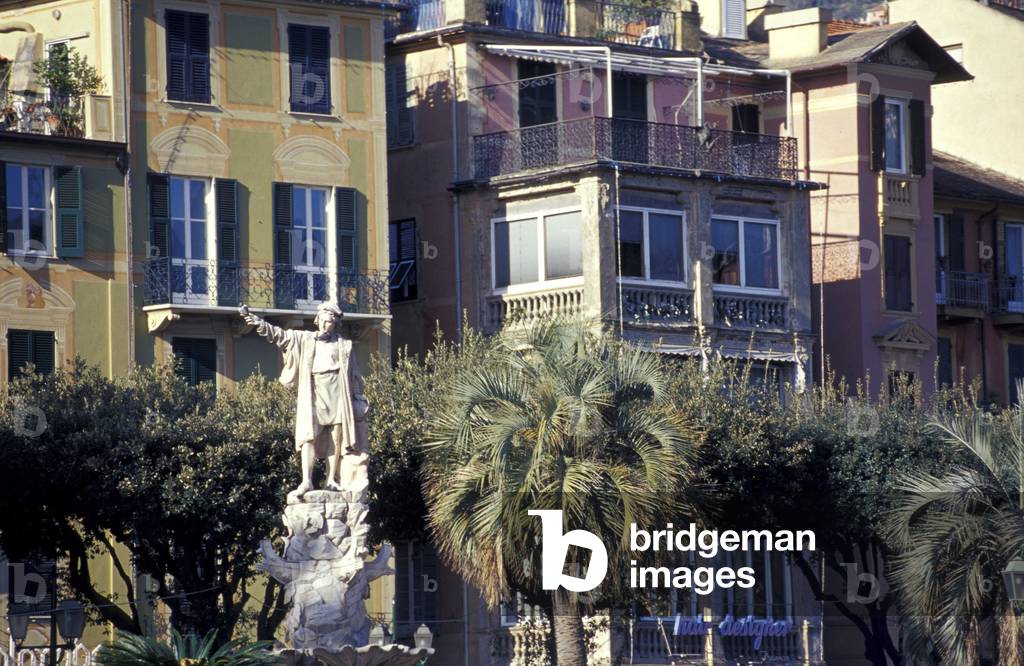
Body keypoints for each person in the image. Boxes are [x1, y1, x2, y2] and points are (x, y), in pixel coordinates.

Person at [239, 302, 369, 497]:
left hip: (338, 391)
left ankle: (331, 479)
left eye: (331, 323)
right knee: (308, 435)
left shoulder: (344, 345)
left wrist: (358, 398)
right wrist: (257, 321)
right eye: (324, 321)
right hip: (313, 391)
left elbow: (355, 374)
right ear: (318, 320)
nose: (327, 325)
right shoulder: (305, 339)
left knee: (336, 436)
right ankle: (307, 480)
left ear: (336, 324)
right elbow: (279, 335)